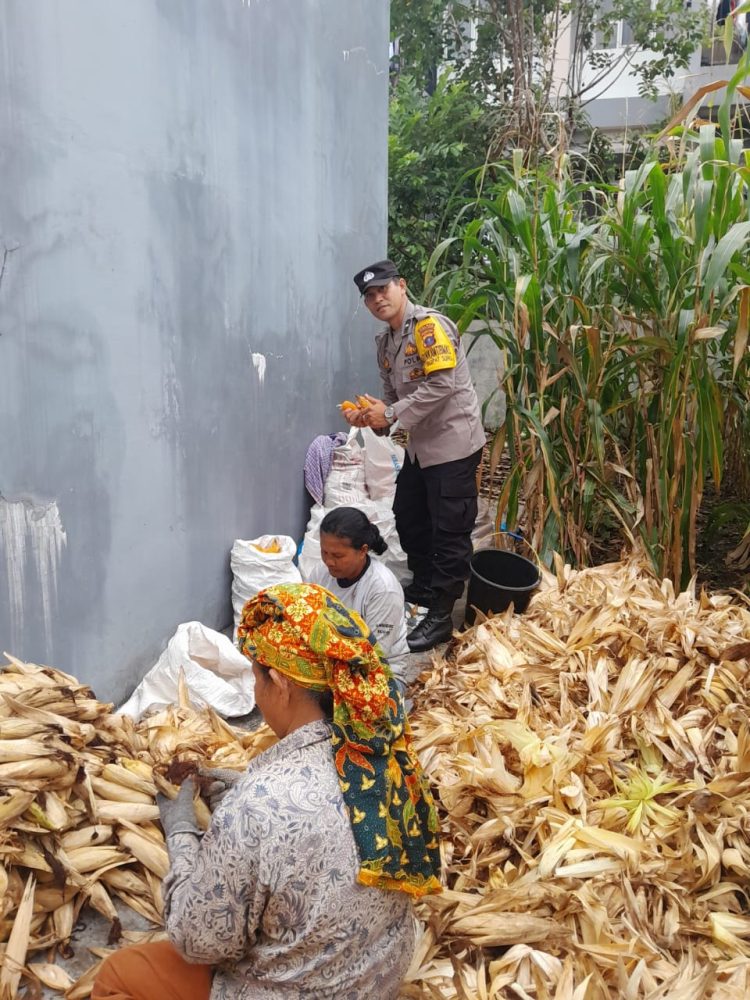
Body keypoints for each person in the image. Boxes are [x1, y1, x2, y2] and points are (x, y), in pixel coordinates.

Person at [92, 583, 442, 1000]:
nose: (256, 692)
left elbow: (198, 940)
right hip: (377, 976)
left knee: (119, 974)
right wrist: (235, 793)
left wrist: (182, 829)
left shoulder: (257, 807)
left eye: (256, 677)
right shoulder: (385, 757)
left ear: (279, 683)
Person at [344, 259, 485, 653]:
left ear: (401, 286)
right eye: (369, 296)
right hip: (421, 449)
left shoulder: (429, 327)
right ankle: (424, 587)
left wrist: (388, 413)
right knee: (409, 518)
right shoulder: (386, 344)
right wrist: (373, 417)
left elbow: (441, 385)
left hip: (453, 446)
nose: (377, 299)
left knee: (449, 532)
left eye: (383, 290)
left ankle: (441, 614)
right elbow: (393, 401)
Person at [304, 506, 410, 701]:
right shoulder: (320, 573)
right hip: (330, 665)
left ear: (363, 551)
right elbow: (307, 621)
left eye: (337, 556)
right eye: (324, 552)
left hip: (378, 673)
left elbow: (373, 657)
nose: (329, 561)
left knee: (354, 706)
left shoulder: (383, 588)